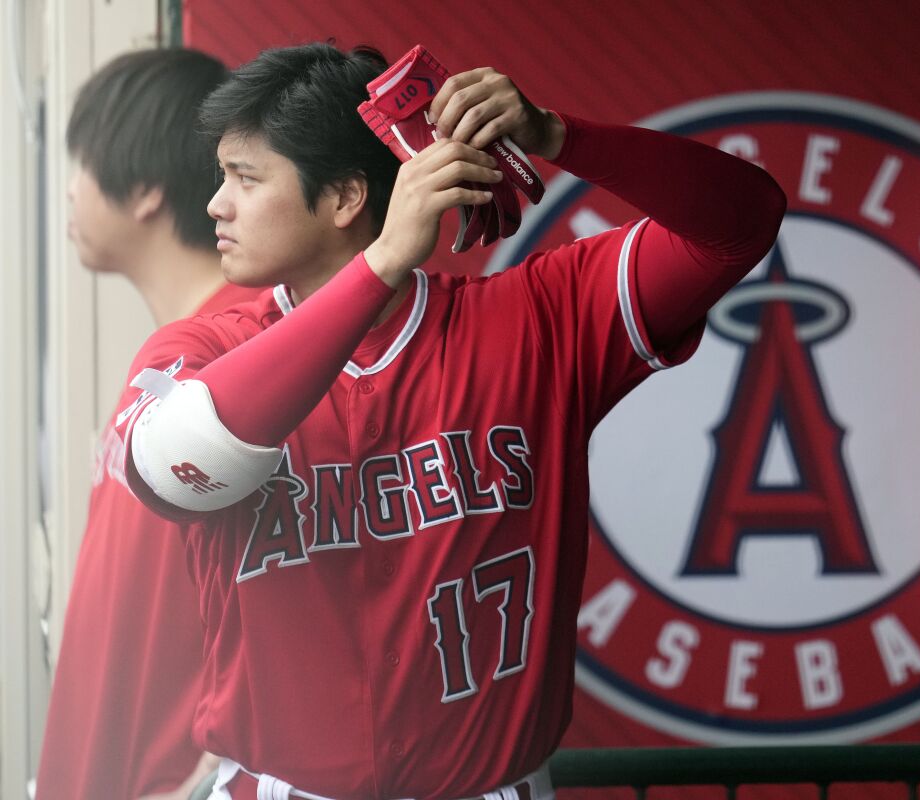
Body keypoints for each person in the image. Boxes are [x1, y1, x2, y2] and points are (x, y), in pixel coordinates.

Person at [115, 42, 786, 800]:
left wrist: (559, 136)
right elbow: (174, 471)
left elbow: (741, 223)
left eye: (244, 178)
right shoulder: (205, 349)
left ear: (343, 199)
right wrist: (379, 268)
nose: (216, 204)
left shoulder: (539, 318)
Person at [36, 48, 261, 800]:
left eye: (84, 163)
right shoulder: (170, 358)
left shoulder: (240, 357)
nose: (69, 190)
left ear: (143, 189)